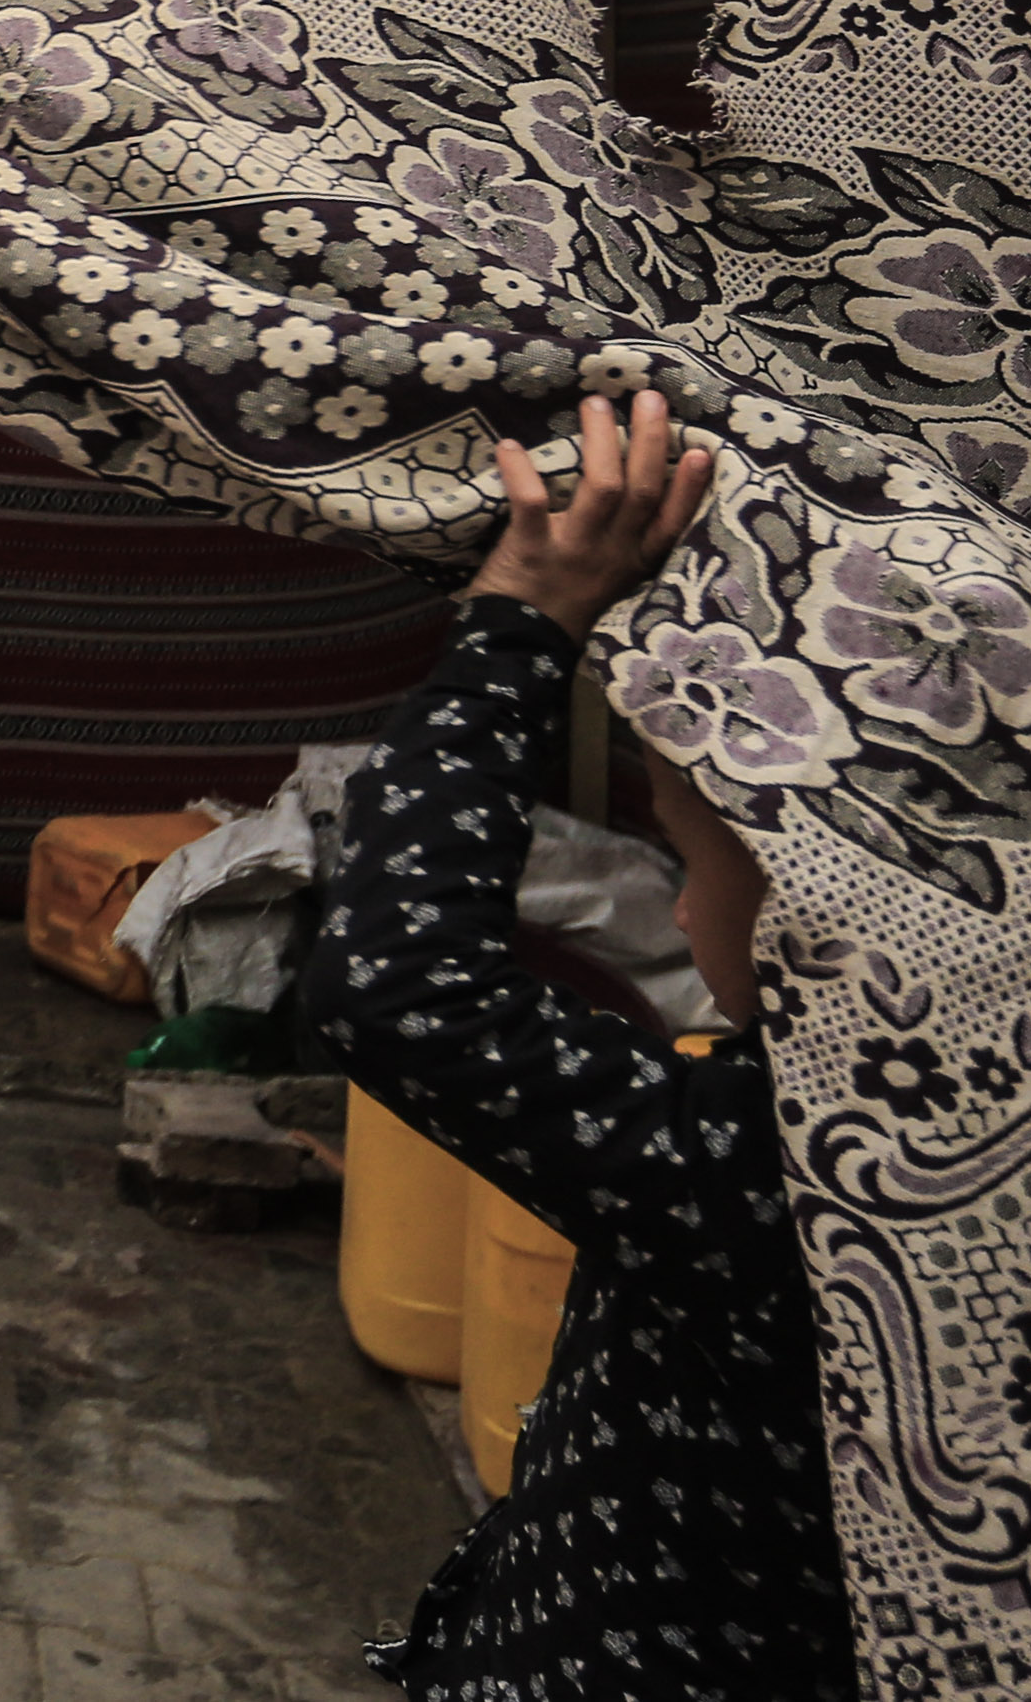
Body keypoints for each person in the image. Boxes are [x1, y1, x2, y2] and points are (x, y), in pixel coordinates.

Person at [302, 392, 857, 1698]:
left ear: (825, 902)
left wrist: (520, 618)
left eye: (689, 850)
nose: (672, 900)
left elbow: (402, 986)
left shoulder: (791, 1174)